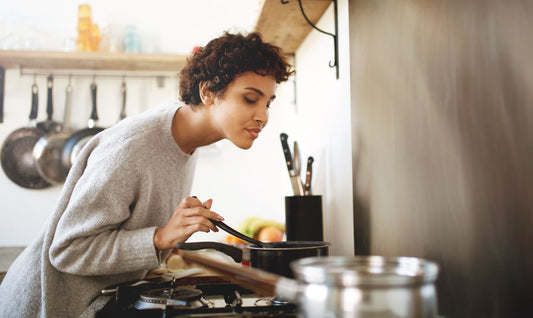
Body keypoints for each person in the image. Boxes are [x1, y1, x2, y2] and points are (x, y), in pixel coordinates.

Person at [0, 31, 293, 317]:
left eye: (268, 103)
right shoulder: (133, 146)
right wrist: (160, 237)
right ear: (207, 93)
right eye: (250, 99)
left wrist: (169, 238)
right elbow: (68, 250)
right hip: (44, 305)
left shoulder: (187, 137)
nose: (263, 116)